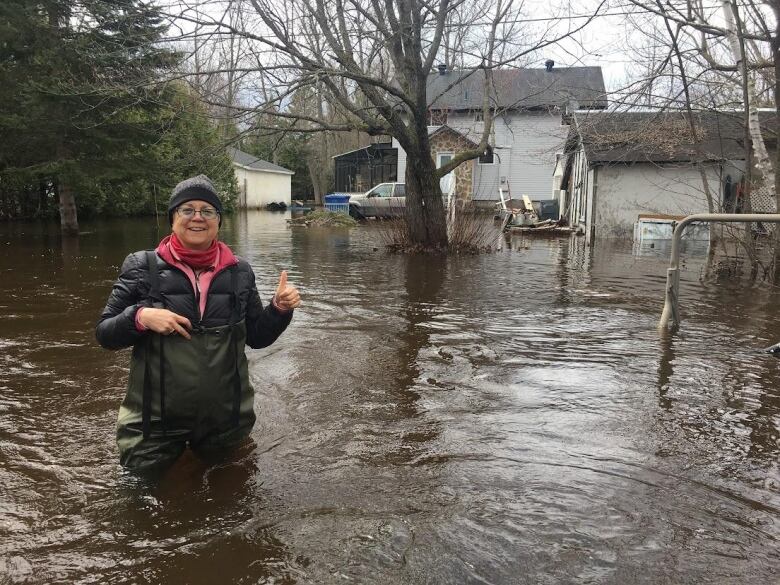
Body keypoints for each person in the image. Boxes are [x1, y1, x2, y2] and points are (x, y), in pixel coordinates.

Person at [96, 175, 300, 474]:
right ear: (172, 218)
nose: (197, 218)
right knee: (144, 504)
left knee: (233, 503)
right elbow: (105, 334)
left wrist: (279, 309)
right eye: (187, 209)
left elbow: (256, 337)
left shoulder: (239, 271)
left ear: (218, 220)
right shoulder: (141, 267)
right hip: (153, 425)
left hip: (225, 420)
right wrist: (140, 317)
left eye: (207, 211)